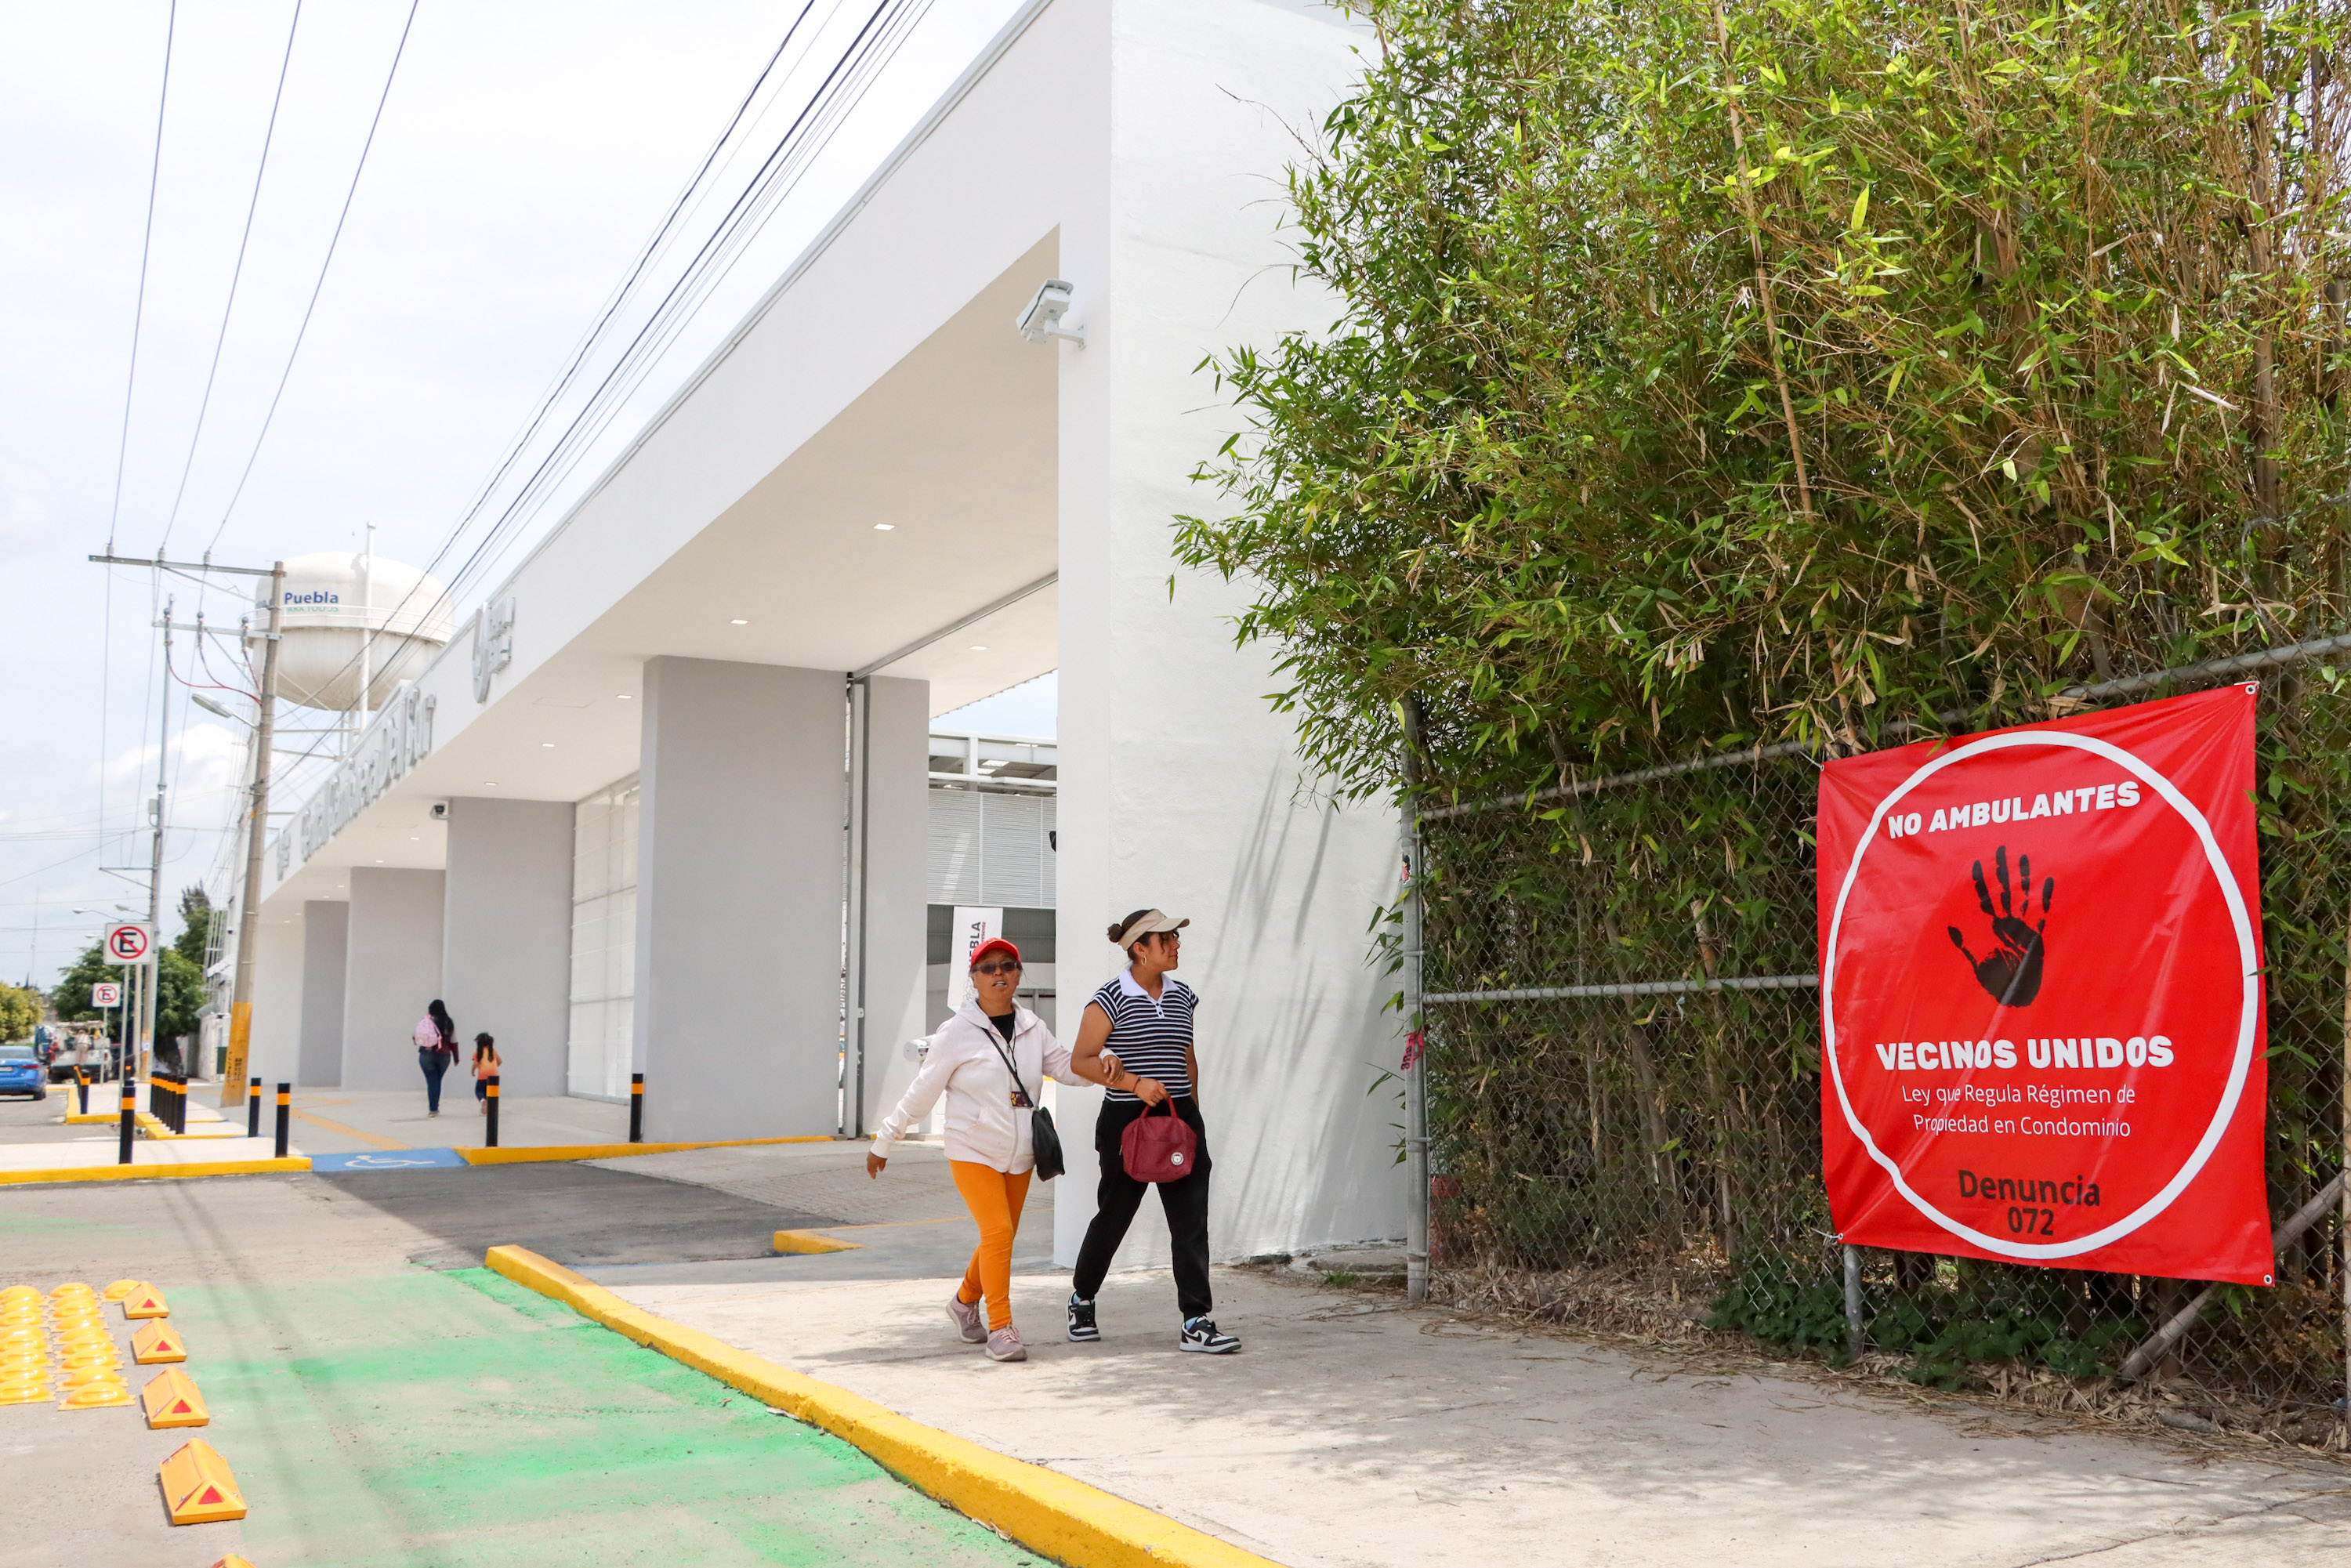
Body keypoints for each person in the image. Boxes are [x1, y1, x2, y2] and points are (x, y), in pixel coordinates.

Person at [868, 936, 1070, 1363]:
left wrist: (1109, 1066)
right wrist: (887, 1139)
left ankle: (962, 1303)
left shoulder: (1034, 1028)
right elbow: (923, 1091)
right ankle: (1001, 1327)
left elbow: (1067, 1066)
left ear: (1018, 974)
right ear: (974, 979)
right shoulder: (956, 1032)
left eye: (1008, 965)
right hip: (971, 1148)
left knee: (1001, 1236)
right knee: (997, 1232)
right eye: (988, 967)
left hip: (1021, 1153)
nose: (999, 973)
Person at [1066, 909, 1241, 1354]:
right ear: (1140, 949)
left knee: (1190, 1220)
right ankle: (1082, 1298)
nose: (1178, 945)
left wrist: (1193, 1118)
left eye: (1176, 939)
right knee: (1115, 1215)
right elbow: (1081, 1060)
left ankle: (1196, 1320)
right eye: (1168, 940)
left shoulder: (1183, 996)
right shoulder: (1108, 999)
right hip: (1128, 1122)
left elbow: (1187, 1058)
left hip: (1179, 1119)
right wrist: (1133, 1083)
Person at [414, 1000, 458, 1117]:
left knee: (432, 1082)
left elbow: (417, 1038)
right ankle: (435, 1107)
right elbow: (453, 1041)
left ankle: (433, 1109)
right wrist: (456, 1058)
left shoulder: (426, 1021)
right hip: (444, 1056)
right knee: (437, 1081)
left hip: (427, 1055)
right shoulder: (449, 1022)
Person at [471, 1032, 501, 1114]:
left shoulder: (477, 1052)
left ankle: (483, 1102)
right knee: (490, 1093)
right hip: (494, 1076)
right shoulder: (493, 1051)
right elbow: (500, 1061)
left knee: (479, 1091)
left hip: (483, 1076)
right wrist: (494, 1066)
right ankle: (489, 1109)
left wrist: (472, 1072)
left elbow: (475, 1064)